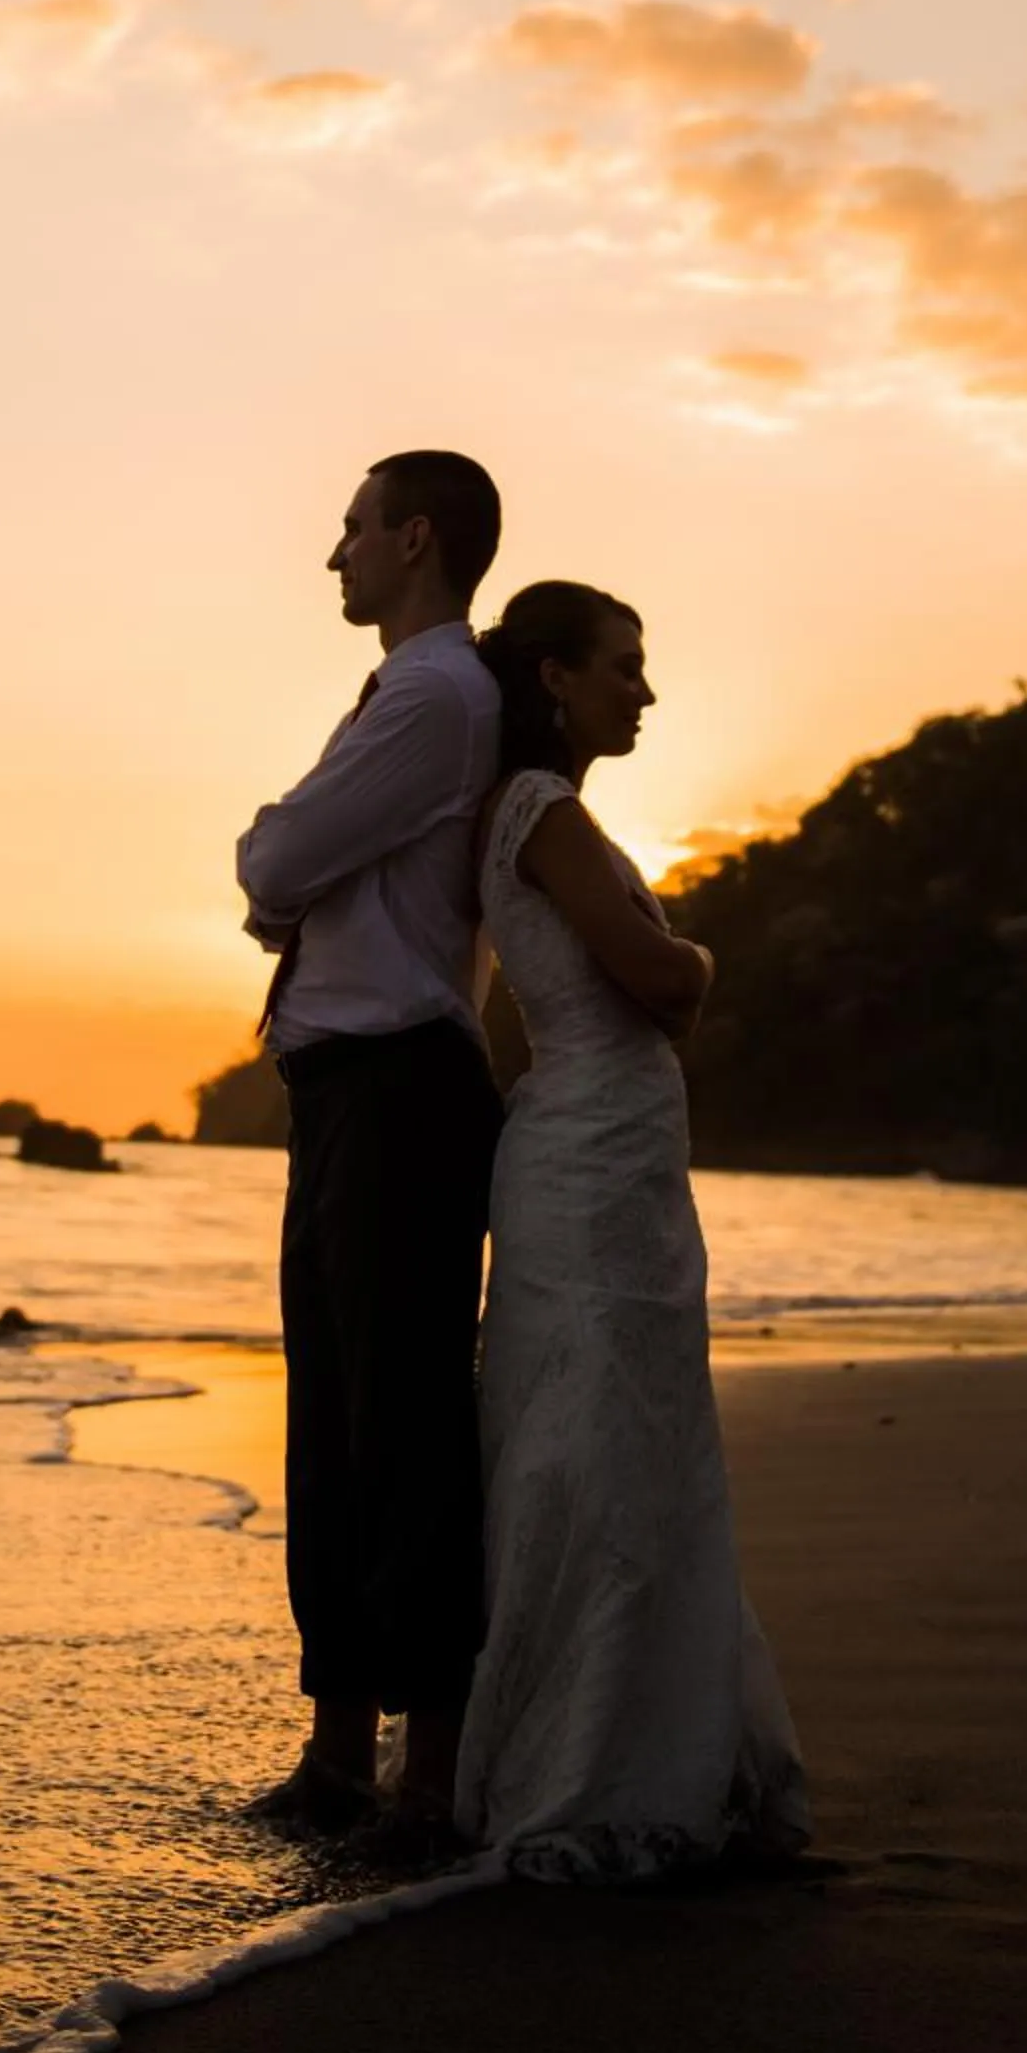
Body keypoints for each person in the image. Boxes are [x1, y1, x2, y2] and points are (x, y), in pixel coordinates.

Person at [454, 579, 814, 1884]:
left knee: (625, 1430)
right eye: (624, 666)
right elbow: (653, 978)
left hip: (611, 1160)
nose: (644, 691)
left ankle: (648, 1741)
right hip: (588, 1160)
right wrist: (703, 966)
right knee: (590, 1435)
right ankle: (586, 1760)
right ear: (551, 676)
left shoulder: (549, 815)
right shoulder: (541, 812)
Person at [234, 452, 506, 1873]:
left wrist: (274, 858)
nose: (331, 555)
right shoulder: (414, 695)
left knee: (398, 1419)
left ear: (412, 538)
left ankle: (428, 1773)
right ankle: (340, 1750)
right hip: (350, 1085)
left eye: (350, 529)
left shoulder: (432, 697)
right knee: (337, 1416)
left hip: (400, 1086)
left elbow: (277, 862)